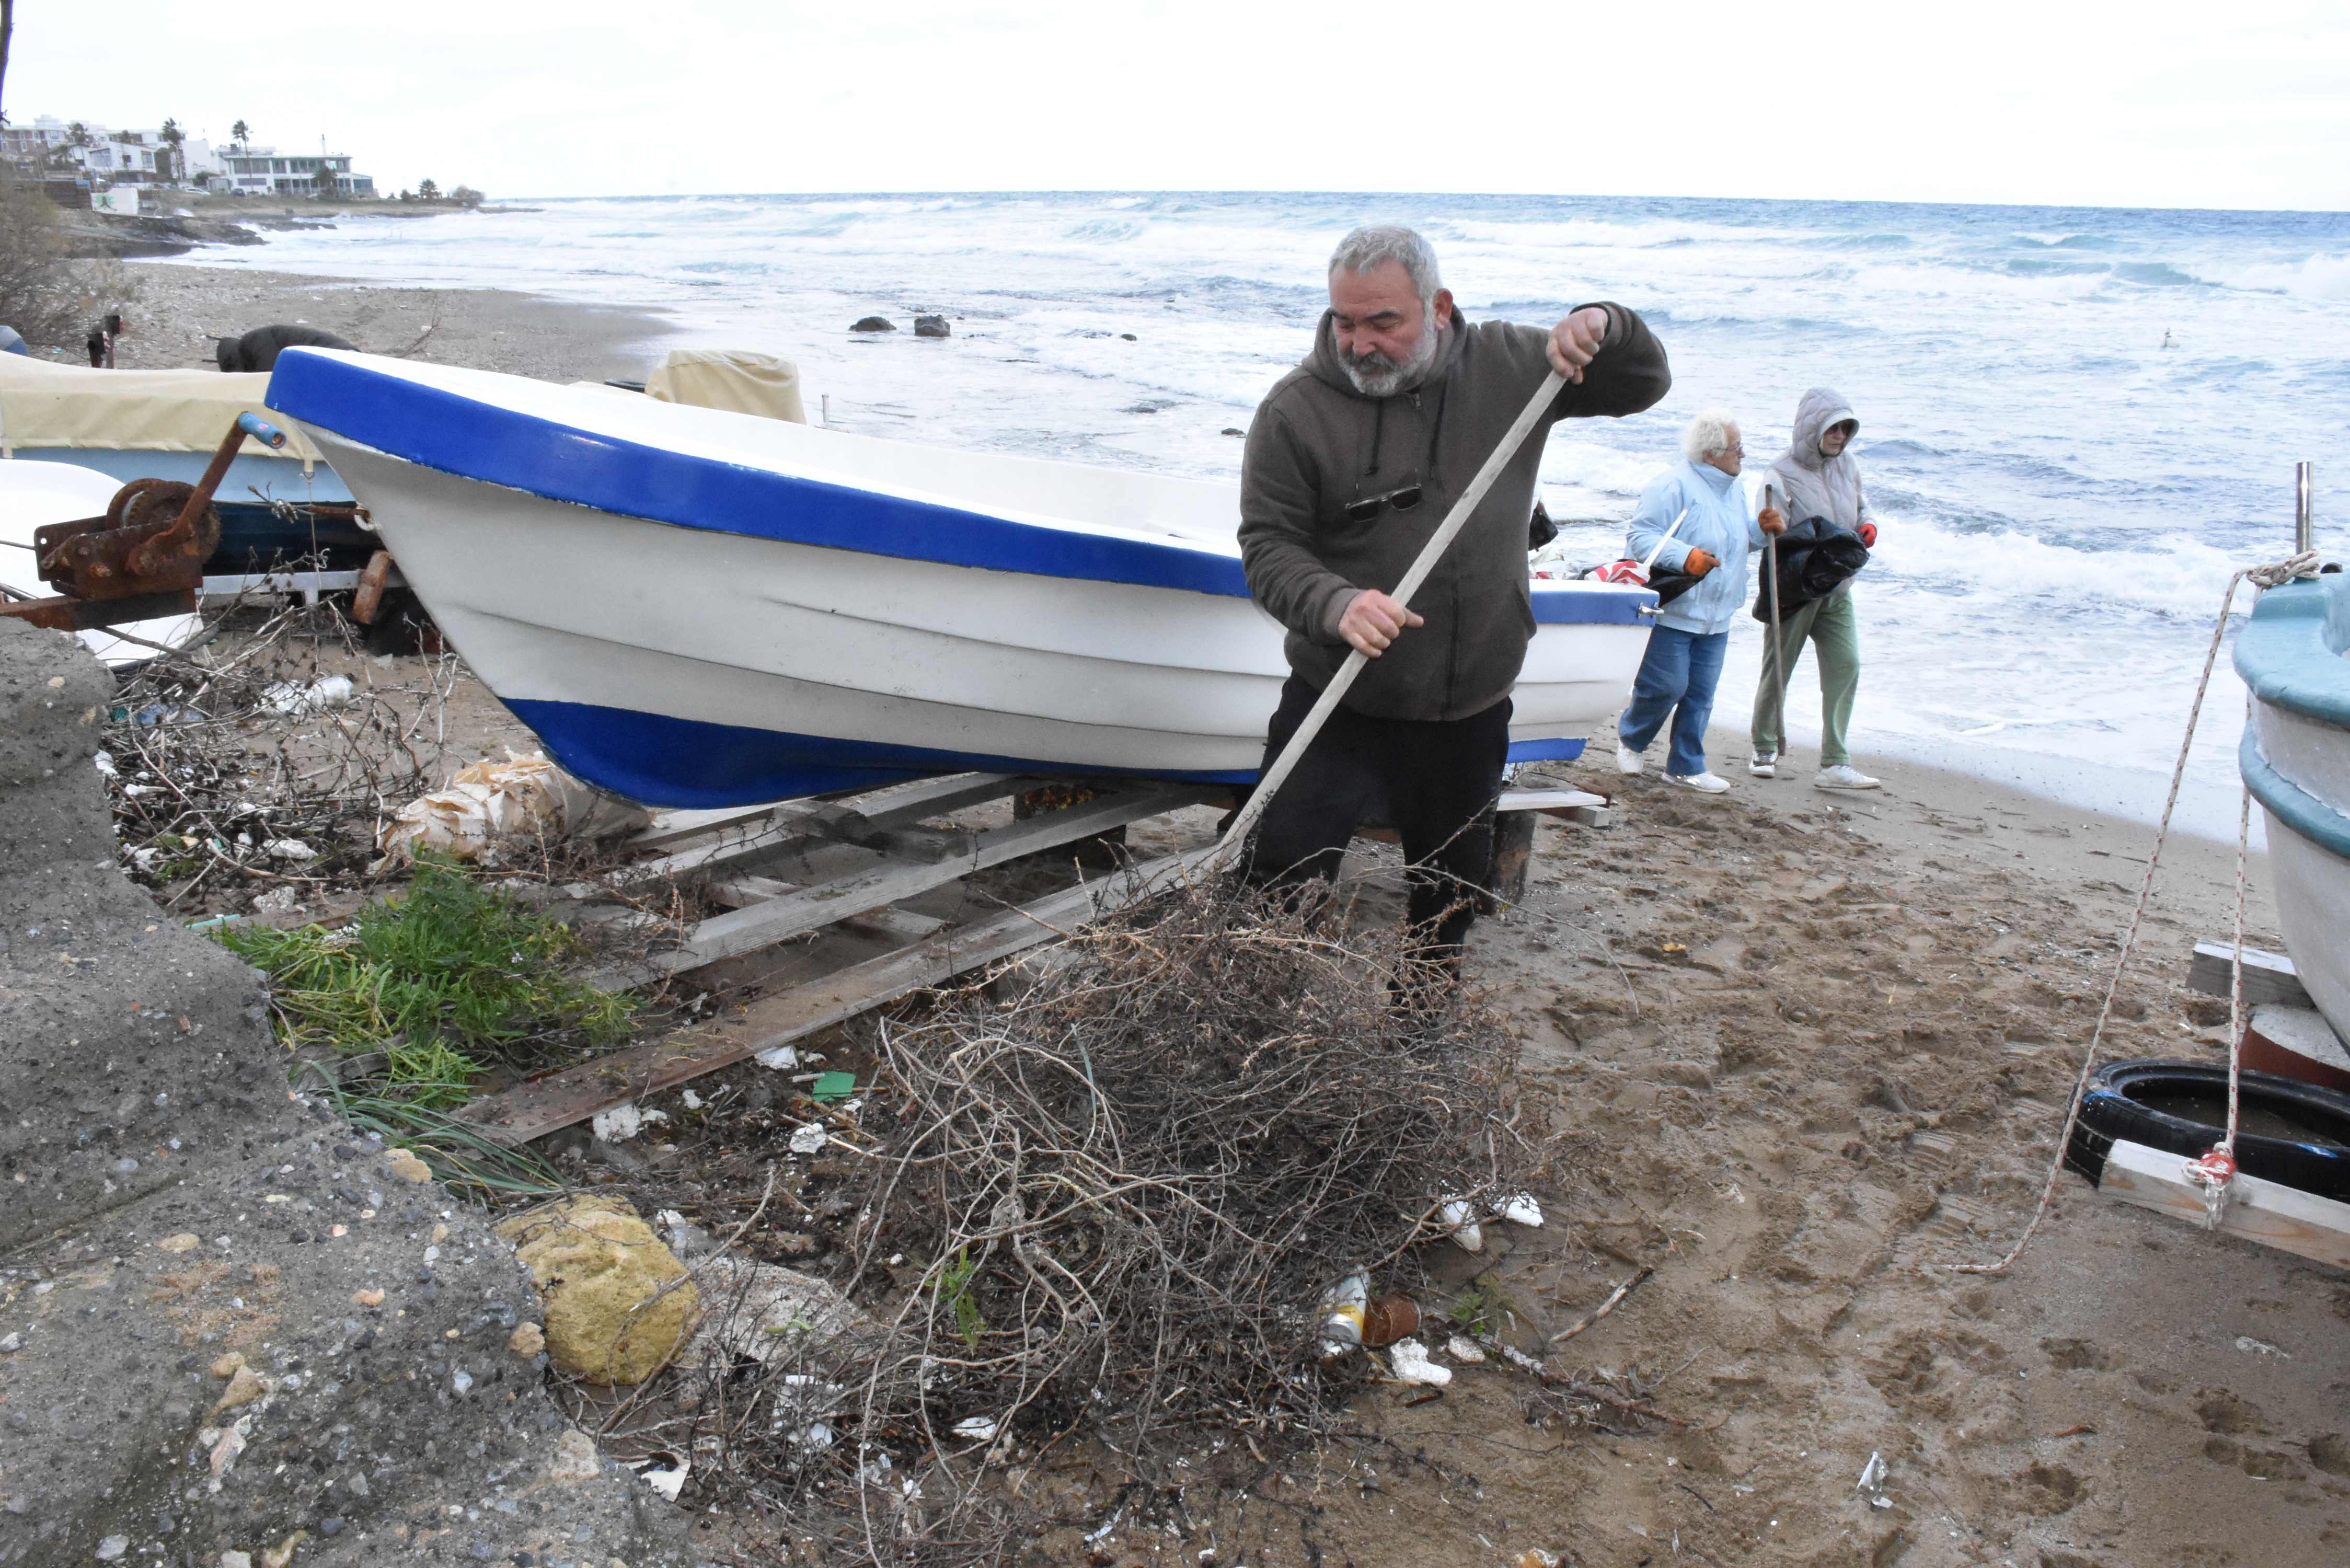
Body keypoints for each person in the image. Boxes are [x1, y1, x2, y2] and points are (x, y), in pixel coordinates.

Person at [1237, 225, 1670, 971]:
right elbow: (1268, 547)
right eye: (1345, 321)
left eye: (1384, 323)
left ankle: (1420, 1043)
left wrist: (1604, 323)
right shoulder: (1295, 411)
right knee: (1277, 882)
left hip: (1468, 704)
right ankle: (1261, 1036)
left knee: (1447, 899)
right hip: (1339, 697)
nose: (1360, 343)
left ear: (1438, 307)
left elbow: (1642, 384)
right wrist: (1335, 603)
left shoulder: (1511, 367)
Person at [1615, 411, 1784, 793]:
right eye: (1736, 447)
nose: (1743, 454)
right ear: (1711, 454)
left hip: (1719, 613)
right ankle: (1632, 739)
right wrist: (1685, 555)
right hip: (1676, 608)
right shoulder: (1672, 485)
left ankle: (1685, 766)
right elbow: (1640, 538)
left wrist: (1761, 530)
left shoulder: (1734, 489)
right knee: (1666, 687)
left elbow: (1734, 542)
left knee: (1701, 694)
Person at [1750, 387, 1881, 791]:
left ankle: (1835, 762)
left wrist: (1869, 527)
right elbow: (1761, 532)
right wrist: (1766, 524)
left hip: (1838, 587)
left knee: (1847, 665)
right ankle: (1764, 746)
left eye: (1846, 429)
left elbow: (1863, 506)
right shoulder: (1780, 473)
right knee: (1780, 669)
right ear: (1813, 429)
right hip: (1794, 588)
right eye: (1834, 428)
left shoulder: (1848, 465)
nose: (1841, 436)